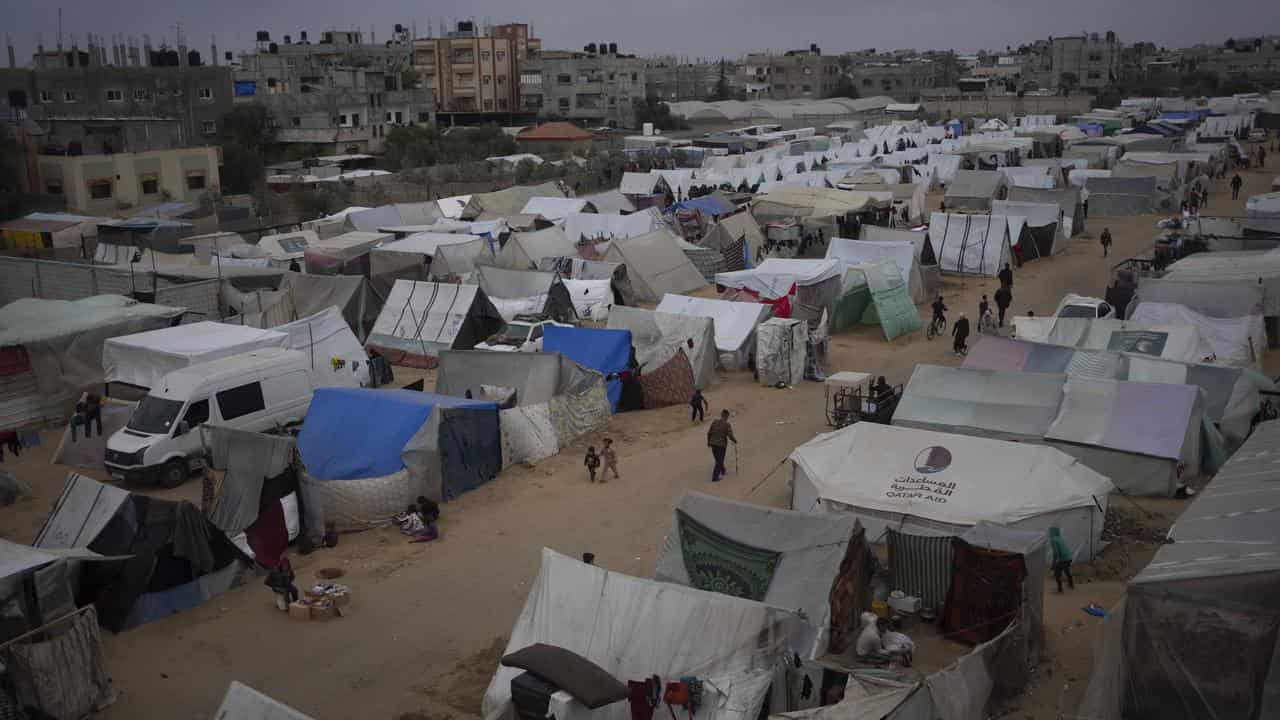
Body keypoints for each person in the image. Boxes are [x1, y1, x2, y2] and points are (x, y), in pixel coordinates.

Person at [707, 410, 737, 483]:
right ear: (727, 416)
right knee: (719, 460)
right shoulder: (727, 424)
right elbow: (730, 435)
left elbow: (709, 433)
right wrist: (734, 440)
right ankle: (715, 477)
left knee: (718, 458)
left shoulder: (714, 422)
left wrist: (708, 442)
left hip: (713, 443)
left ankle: (723, 470)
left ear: (721, 415)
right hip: (721, 445)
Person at [1049, 526, 1075, 593]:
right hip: (1069, 558)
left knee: (1057, 574)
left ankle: (1060, 590)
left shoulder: (1053, 540)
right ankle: (1071, 585)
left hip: (1063, 559)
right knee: (1067, 571)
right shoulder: (1060, 538)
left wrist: (1053, 564)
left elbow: (1056, 553)